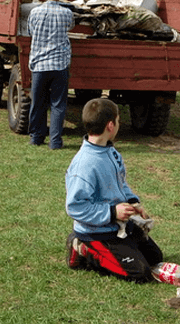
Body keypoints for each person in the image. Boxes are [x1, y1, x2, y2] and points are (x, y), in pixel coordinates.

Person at [65, 98, 163, 283]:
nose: (119, 124)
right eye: (118, 121)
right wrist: (112, 212)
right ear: (110, 125)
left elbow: (120, 183)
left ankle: (122, 247)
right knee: (140, 274)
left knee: (155, 258)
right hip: (96, 231)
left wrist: (133, 203)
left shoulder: (110, 151)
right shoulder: (84, 164)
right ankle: (83, 247)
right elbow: (75, 207)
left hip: (117, 225)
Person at [26, 0, 74, 148]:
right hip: (60, 64)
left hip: (39, 64)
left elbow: (30, 31)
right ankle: (55, 141)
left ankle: (36, 138)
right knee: (58, 105)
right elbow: (71, 27)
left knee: (38, 103)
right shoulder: (67, 13)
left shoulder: (35, 12)